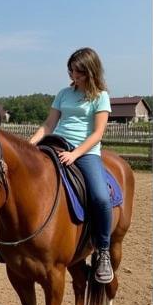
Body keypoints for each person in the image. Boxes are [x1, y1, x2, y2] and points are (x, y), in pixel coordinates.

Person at [28, 48, 114, 284]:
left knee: (100, 197)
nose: (74, 76)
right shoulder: (63, 93)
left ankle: (103, 250)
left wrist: (75, 154)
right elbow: (48, 125)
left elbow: (97, 134)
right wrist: (31, 145)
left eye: (79, 72)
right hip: (55, 144)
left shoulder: (100, 97)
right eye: (71, 70)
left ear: (91, 72)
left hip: (84, 152)